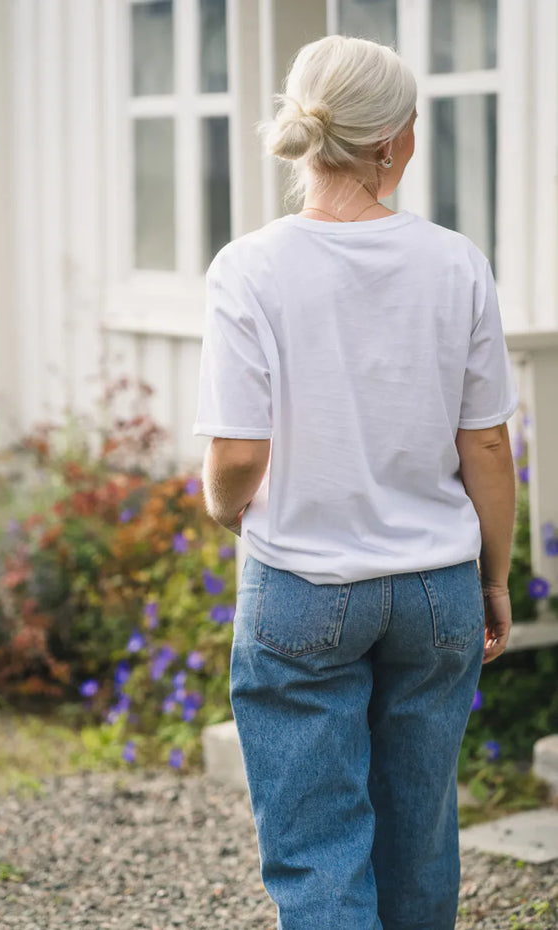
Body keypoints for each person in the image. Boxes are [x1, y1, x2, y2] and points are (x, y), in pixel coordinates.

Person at [192, 32, 519, 930]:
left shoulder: (249, 268)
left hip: (303, 584)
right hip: (436, 590)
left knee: (318, 846)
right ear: (392, 143)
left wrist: (229, 515)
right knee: (420, 834)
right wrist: (492, 579)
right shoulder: (456, 262)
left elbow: (235, 460)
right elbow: (487, 446)